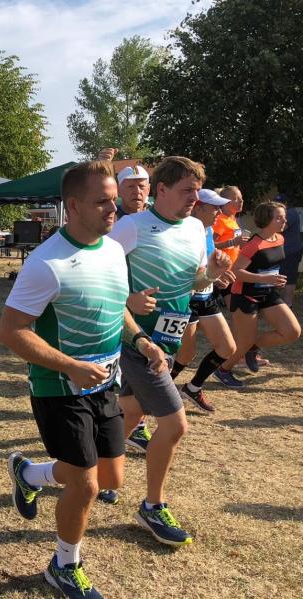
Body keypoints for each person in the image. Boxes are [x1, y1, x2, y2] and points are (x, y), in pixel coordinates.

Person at [0, 160, 165, 599]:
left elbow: (116, 304)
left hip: (105, 383)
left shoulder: (111, 250)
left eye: (114, 200)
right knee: (86, 484)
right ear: (72, 206)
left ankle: (29, 474)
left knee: (111, 478)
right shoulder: (46, 262)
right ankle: (64, 566)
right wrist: (69, 365)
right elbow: (11, 331)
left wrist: (141, 340)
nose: (114, 209)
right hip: (59, 387)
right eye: (102, 202)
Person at [109, 156, 231, 547]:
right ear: (161, 190)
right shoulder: (132, 226)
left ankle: (51, 473)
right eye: (187, 190)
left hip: (169, 338)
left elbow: (191, 282)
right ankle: (152, 505)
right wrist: (127, 298)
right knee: (176, 425)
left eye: (197, 191)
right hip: (136, 340)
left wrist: (211, 274)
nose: (195, 198)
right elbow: (97, 273)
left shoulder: (196, 228)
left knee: (130, 413)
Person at [214, 201, 301, 387]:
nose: (284, 221)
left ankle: (253, 348)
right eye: (279, 218)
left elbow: (268, 265)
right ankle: (223, 370)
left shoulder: (280, 238)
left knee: (292, 332)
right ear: (266, 220)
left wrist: (273, 279)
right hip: (245, 295)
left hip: (267, 293)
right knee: (243, 342)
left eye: (284, 217)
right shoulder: (253, 244)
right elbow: (236, 272)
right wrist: (265, 279)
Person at [170, 189, 237, 411]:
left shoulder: (207, 230)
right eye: (214, 208)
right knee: (185, 353)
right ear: (198, 208)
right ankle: (160, 390)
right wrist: (210, 276)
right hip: (186, 298)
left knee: (227, 347)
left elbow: (207, 263)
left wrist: (217, 275)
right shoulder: (180, 230)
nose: (219, 212)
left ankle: (193, 388)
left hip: (206, 295)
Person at [276, 194, 302, 307]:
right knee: (284, 276)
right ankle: (283, 304)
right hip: (285, 251)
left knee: (289, 278)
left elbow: (280, 228)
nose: (277, 205)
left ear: (286, 203)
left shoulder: (290, 213)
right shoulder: (285, 213)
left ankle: (288, 304)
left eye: (280, 203)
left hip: (291, 251)